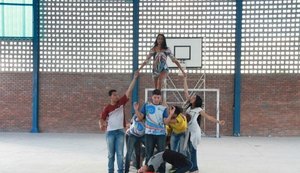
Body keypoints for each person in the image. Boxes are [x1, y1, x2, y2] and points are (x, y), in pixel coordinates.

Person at [183, 75, 225, 173]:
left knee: (193, 150)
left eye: (194, 97)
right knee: (188, 150)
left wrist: (218, 122)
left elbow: (209, 117)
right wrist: (185, 78)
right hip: (188, 131)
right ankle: (191, 167)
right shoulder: (189, 107)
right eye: (192, 96)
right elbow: (186, 92)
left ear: (196, 101)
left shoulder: (199, 109)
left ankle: (194, 168)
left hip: (195, 132)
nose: (192, 97)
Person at [99, 71, 139, 173]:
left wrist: (134, 78)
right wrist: (101, 125)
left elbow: (129, 90)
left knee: (120, 154)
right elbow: (102, 119)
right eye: (115, 95)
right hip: (110, 133)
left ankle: (120, 171)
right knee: (111, 155)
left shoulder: (121, 103)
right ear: (111, 97)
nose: (117, 96)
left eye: (117, 95)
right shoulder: (107, 108)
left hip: (120, 132)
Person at [135, 89, 173, 173]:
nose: (156, 99)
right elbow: (140, 118)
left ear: (160, 98)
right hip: (149, 134)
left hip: (161, 135)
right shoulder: (146, 105)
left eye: (158, 97)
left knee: (162, 155)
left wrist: (170, 114)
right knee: (149, 154)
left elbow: (166, 122)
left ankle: (161, 171)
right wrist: (136, 110)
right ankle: (148, 171)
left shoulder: (163, 108)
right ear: (152, 97)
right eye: (155, 97)